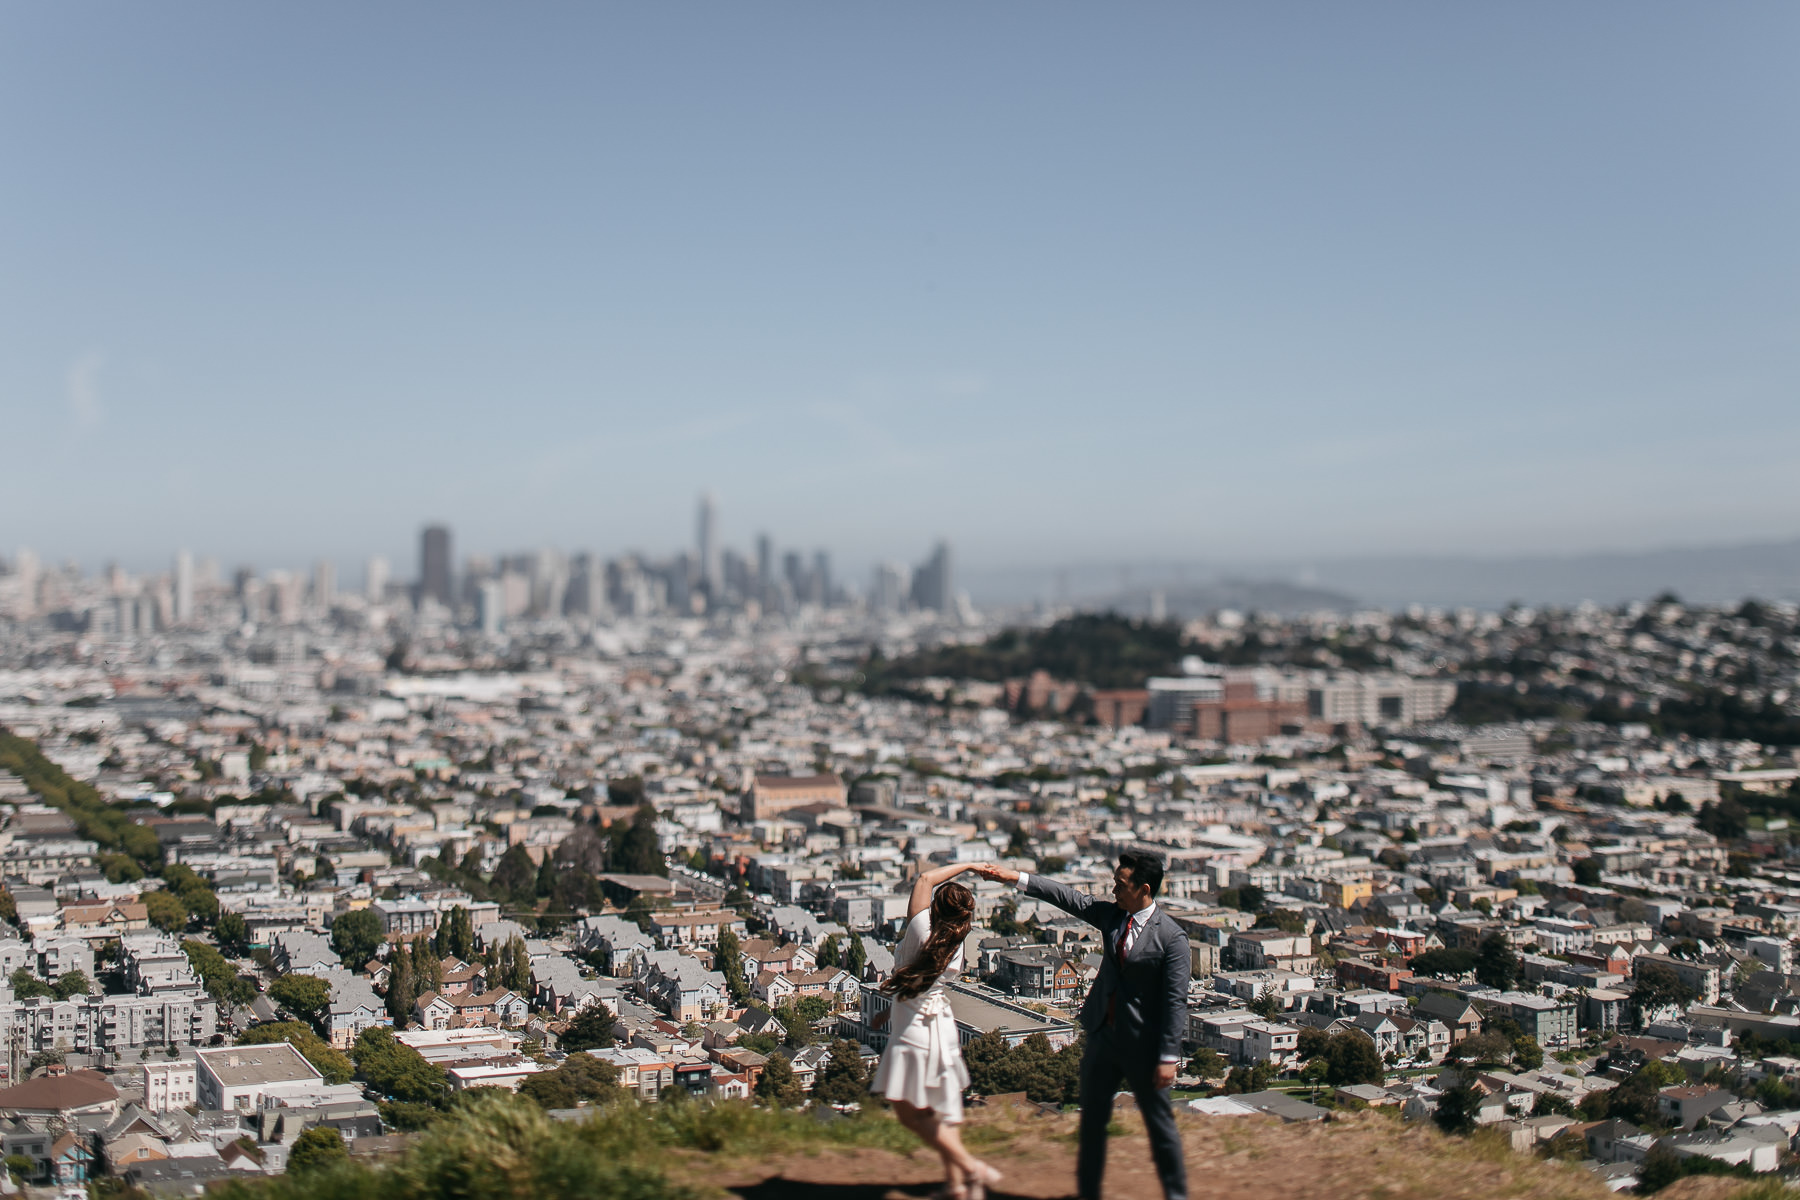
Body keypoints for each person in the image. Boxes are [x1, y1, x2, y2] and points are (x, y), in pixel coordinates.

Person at [976, 852, 1190, 1200]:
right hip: (1103, 1036)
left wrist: (1169, 1055)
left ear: (1144, 889)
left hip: (1144, 1047)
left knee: (1159, 1127)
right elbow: (1066, 896)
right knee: (1091, 1123)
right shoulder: (1111, 915)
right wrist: (1014, 877)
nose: (1113, 889)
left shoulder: (1173, 939)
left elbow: (1175, 1000)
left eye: (1120, 885)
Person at [871, 861, 1005, 1200]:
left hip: (914, 1028)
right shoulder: (956, 947)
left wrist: (970, 865)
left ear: (935, 908)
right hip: (939, 1025)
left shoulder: (919, 927)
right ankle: (959, 1187)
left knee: (905, 1108)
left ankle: (971, 1167)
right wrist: (887, 1012)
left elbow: (925, 877)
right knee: (941, 1110)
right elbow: (920, 982)